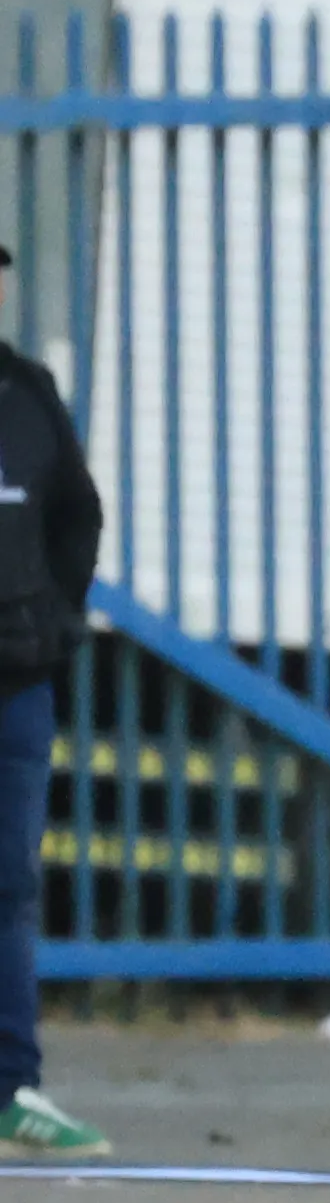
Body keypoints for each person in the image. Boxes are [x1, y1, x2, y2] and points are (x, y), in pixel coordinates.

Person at [0, 240, 109, 1156]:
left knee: (10, 888)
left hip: (16, 684)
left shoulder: (26, 392)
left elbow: (78, 511)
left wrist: (56, 619)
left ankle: (11, 1087)